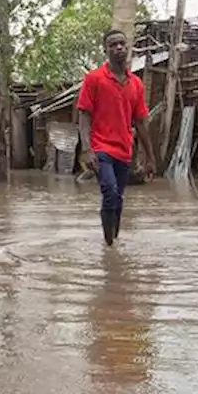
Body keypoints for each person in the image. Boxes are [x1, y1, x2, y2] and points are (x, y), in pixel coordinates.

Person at [77, 28, 152, 246]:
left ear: (128, 48)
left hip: (124, 150)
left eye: (122, 44)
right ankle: (109, 245)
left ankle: (113, 244)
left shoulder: (136, 84)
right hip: (100, 148)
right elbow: (84, 114)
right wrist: (87, 148)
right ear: (105, 50)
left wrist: (150, 157)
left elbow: (140, 121)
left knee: (118, 199)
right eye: (113, 45)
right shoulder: (94, 79)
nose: (118, 48)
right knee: (109, 192)